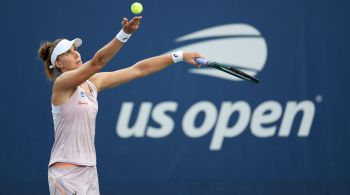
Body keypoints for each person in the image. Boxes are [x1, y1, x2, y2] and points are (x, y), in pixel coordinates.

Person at [38, 16, 203, 195]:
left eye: (75, 49)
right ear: (59, 64)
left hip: (89, 171)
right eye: (68, 52)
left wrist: (179, 56)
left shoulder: (92, 83)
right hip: (66, 173)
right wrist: (125, 33)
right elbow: (98, 62)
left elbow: (139, 69)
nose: (76, 54)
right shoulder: (62, 83)